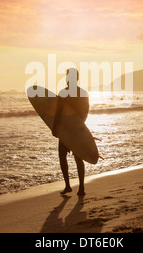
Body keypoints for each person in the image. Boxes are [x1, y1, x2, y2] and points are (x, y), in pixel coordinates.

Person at [52, 68, 89, 196]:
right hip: (76, 129)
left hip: (66, 129)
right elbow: (85, 113)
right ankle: (80, 188)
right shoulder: (83, 93)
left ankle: (70, 186)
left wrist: (55, 127)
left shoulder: (64, 93)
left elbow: (58, 113)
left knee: (65, 157)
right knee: (75, 157)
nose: (67, 79)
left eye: (68, 76)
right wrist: (79, 126)